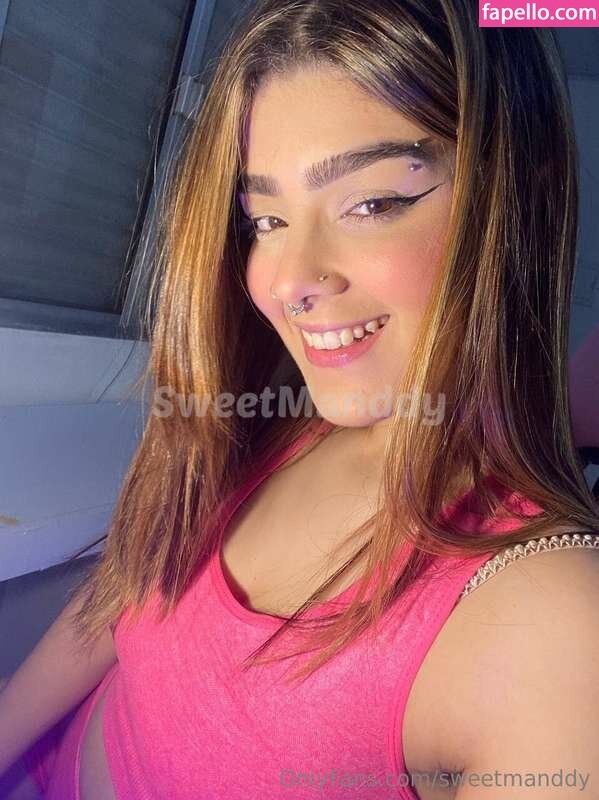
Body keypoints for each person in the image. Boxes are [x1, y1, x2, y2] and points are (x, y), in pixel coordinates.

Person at [2, 1, 599, 798]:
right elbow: (121, 597)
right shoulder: (271, 425)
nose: (286, 281)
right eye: (267, 219)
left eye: (371, 203)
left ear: (519, 199)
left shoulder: (552, 629)